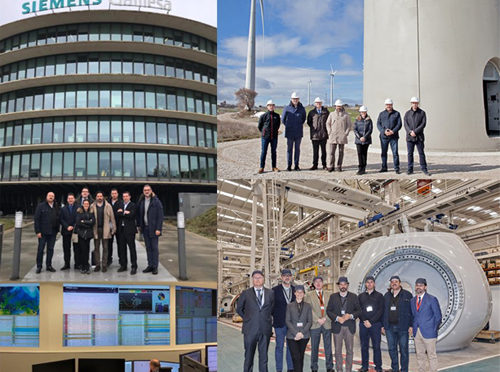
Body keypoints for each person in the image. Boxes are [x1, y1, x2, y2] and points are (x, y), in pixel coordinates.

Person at [236, 270, 275, 372]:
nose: (257, 279)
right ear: (252, 280)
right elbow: (239, 308)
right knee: (249, 356)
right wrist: (247, 318)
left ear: (263, 279)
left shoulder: (270, 293)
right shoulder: (246, 293)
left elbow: (272, 308)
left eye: (259, 277)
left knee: (264, 357)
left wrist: (266, 318)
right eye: (255, 278)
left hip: (265, 330)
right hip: (250, 330)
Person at [327, 276, 361, 372]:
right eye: (341, 284)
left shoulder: (354, 296)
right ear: (338, 286)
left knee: (349, 350)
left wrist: (350, 316)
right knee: (338, 351)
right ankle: (339, 369)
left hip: (349, 327)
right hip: (337, 327)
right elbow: (329, 311)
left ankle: (348, 370)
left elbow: (359, 311)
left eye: (344, 284)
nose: (343, 286)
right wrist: (338, 318)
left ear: (347, 285)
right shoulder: (333, 297)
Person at [382, 275, 413, 372]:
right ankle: (395, 369)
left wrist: (411, 325)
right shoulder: (386, 296)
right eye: (392, 282)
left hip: (403, 327)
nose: (394, 283)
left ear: (399, 283)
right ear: (390, 284)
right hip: (389, 327)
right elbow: (383, 311)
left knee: (403, 350)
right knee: (391, 349)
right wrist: (383, 325)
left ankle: (404, 370)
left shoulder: (407, 295)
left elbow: (412, 311)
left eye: (396, 281)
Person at [411, 278, 442, 372]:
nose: (418, 287)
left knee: (431, 355)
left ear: (425, 287)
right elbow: (413, 316)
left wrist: (433, 329)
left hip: (429, 332)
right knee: (420, 355)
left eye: (421, 285)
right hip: (417, 332)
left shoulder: (432, 299)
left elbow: (438, 316)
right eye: (417, 285)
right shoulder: (412, 300)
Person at [305, 276, 334, 372]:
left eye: (320, 281)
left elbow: (331, 308)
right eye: (316, 282)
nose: (318, 283)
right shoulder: (309, 295)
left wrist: (326, 318)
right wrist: (317, 319)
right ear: (313, 284)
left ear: (323, 283)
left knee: (328, 347)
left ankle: (329, 367)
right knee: (314, 347)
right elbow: (308, 309)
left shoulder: (330, 294)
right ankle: (314, 367)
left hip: (327, 323)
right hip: (315, 324)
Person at [358, 276, 384, 372]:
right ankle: (365, 366)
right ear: (365, 284)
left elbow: (381, 310)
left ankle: (378, 367)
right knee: (364, 346)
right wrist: (365, 320)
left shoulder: (379, 296)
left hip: (375, 325)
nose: (369, 284)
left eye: (371, 282)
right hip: (363, 324)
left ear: (374, 284)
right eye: (368, 282)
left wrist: (371, 321)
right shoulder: (360, 296)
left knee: (376, 346)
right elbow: (359, 310)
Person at [137, 184, 164, 275]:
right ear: (143, 192)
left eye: (148, 190)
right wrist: (140, 225)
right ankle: (150, 265)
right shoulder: (141, 201)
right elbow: (140, 214)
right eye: (145, 190)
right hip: (145, 228)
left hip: (154, 229)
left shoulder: (156, 201)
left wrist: (158, 228)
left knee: (154, 248)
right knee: (148, 248)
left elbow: (160, 216)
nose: (146, 191)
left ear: (151, 191)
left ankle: (155, 267)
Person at [272, 269, 295, 372]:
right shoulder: (274, 290)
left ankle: (290, 368)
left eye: (289, 275)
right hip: (279, 324)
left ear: (291, 277)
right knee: (279, 347)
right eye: (285, 275)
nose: (287, 277)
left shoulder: (295, 290)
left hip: (292, 325)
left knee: (291, 347)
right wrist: (274, 319)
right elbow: (271, 307)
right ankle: (279, 369)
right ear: (281, 277)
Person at [285, 285, 312, 372]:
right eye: (298, 292)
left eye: (301, 292)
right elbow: (287, 321)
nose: (299, 294)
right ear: (295, 293)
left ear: (304, 294)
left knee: (301, 357)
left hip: (304, 336)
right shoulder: (289, 306)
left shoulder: (308, 306)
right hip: (292, 336)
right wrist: (296, 333)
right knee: (295, 357)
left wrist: (301, 333)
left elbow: (309, 321)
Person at [34, 191, 60, 274]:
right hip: (43, 232)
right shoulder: (41, 206)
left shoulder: (56, 206)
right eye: (49, 196)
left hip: (52, 232)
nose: (51, 197)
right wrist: (37, 231)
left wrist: (57, 230)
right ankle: (39, 266)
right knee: (41, 249)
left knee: (50, 249)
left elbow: (58, 218)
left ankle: (49, 265)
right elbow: (36, 219)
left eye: (52, 196)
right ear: (46, 196)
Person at [404, 97, 430, 176]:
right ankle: (410, 169)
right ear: (411, 103)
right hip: (410, 137)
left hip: (419, 137)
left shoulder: (422, 113)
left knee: (421, 153)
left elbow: (423, 124)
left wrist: (415, 131)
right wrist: (410, 132)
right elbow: (405, 124)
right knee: (410, 154)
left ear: (418, 104)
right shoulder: (407, 113)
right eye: (413, 103)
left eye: (416, 103)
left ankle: (424, 169)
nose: (414, 104)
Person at [91, 191, 116, 273]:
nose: (99, 197)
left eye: (101, 196)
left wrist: (113, 228)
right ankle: (98, 265)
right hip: (96, 229)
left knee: (105, 248)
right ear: (96, 197)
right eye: (98, 196)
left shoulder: (108, 206)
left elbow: (112, 218)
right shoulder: (92, 206)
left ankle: (104, 265)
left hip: (105, 229)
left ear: (103, 197)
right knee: (96, 248)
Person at [282, 92, 306, 171]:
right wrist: (289, 126)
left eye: (296, 99)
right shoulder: (287, 108)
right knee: (289, 149)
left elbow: (303, 119)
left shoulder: (302, 109)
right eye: (294, 99)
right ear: (291, 99)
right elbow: (283, 120)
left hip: (298, 132)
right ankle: (289, 166)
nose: (295, 100)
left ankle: (296, 165)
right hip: (290, 132)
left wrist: (298, 125)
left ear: (298, 99)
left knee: (297, 149)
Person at [377, 98, 402, 174]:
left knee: (395, 153)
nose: (388, 106)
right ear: (385, 105)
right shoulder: (381, 114)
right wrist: (383, 131)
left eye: (390, 105)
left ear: (392, 105)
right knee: (384, 153)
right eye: (387, 105)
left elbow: (399, 124)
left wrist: (393, 131)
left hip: (393, 137)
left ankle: (396, 168)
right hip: (384, 137)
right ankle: (384, 167)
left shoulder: (397, 114)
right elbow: (378, 124)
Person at [326, 99, 352, 172]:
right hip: (333, 136)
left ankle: (339, 166)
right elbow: (327, 123)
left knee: (341, 152)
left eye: (340, 106)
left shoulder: (346, 115)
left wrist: (346, 133)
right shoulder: (331, 114)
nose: (338, 107)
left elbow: (349, 125)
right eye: (337, 106)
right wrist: (329, 131)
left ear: (342, 106)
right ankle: (331, 166)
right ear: (335, 106)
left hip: (342, 136)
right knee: (331, 152)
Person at [117, 191, 138, 275]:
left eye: (126, 196)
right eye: (124, 196)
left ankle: (134, 266)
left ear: (130, 197)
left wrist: (123, 213)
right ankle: (123, 265)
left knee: (132, 249)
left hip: (130, 231)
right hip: (121, 230)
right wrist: (124, 213)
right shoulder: (120, 204)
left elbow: (132, 215)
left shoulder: (133, 205)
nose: (125, 198)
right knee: (122, 249)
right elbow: (117, 214)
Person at [258, 100, 281, 174]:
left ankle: (274, 167)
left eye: (272, 105)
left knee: (273, 152)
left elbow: (278, 125)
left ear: (274, 106)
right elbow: (260, 126)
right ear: (267, 106)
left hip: (274, 137)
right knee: (264, 152)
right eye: (269, 105)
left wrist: (275, 132)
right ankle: (262, 167)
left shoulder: (277, 116)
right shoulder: (263, 116)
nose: (271, 107)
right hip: (265, 137)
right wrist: (264, 132)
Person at [306, 97, 330, 170]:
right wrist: (314, 128)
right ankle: (315, 165)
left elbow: (329, 122)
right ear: (315, 104)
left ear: (321, 103)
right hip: (315, 135)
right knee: (315, 151)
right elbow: (309, 122)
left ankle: (324, 165)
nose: (318, 104)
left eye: (319, 103)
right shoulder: (311, 112)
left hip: (323, 134)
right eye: (317, 103)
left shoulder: (326, 112)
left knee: (324, 151)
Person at [59, 193, 79, 270]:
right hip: (66, 231)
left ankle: (77, 264)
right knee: (66, 248)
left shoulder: (78, 208)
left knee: (76, 248)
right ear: (67, 200)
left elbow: (78, 218)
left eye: (72, 198)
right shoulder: (63, 209)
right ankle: (67, 264)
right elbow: (61, 219)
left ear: (74, 199)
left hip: (75, 231)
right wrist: (67, 226)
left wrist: (73, 226)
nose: (70, 200)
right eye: (69, 198)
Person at [75, 199, 95, 275]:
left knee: (87, 250)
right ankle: (83, 265)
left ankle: (86, 265)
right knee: (82, 250)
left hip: (88, 234)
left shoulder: (91, 212)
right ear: (82, 204)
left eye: (87, 204)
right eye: (85, 204)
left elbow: (93, 222)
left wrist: (84, 221)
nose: (86, 205)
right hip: (81, 234)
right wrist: (88, 223)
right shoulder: (79, 211)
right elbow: (78, 222)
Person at [353, 105, 373, 175]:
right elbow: (355, 129)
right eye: (361, 112)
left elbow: (370, 130)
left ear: (366, 112)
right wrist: (359, 137)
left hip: (366, 140)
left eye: (364, 112)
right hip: (359, 140)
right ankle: (360, 168)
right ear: (360, 112)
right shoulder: (357, 119)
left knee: (364, 154)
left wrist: (365, 137)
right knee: (359, 153)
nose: (363, 113)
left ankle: (363, 168)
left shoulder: (369, 120)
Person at [108, 188, 122, 266]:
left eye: (115, 193)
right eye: (112, 193)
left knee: (120, 244)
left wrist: (114, 214)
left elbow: (121, 213)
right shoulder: (107, 202)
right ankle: (109, 259)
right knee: (109, 244)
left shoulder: (121, 202)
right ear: (111, 194)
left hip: (119, 226)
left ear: (117, 194)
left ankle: (121, 260)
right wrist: (117, 212)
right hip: (110, 226)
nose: (114, 195)